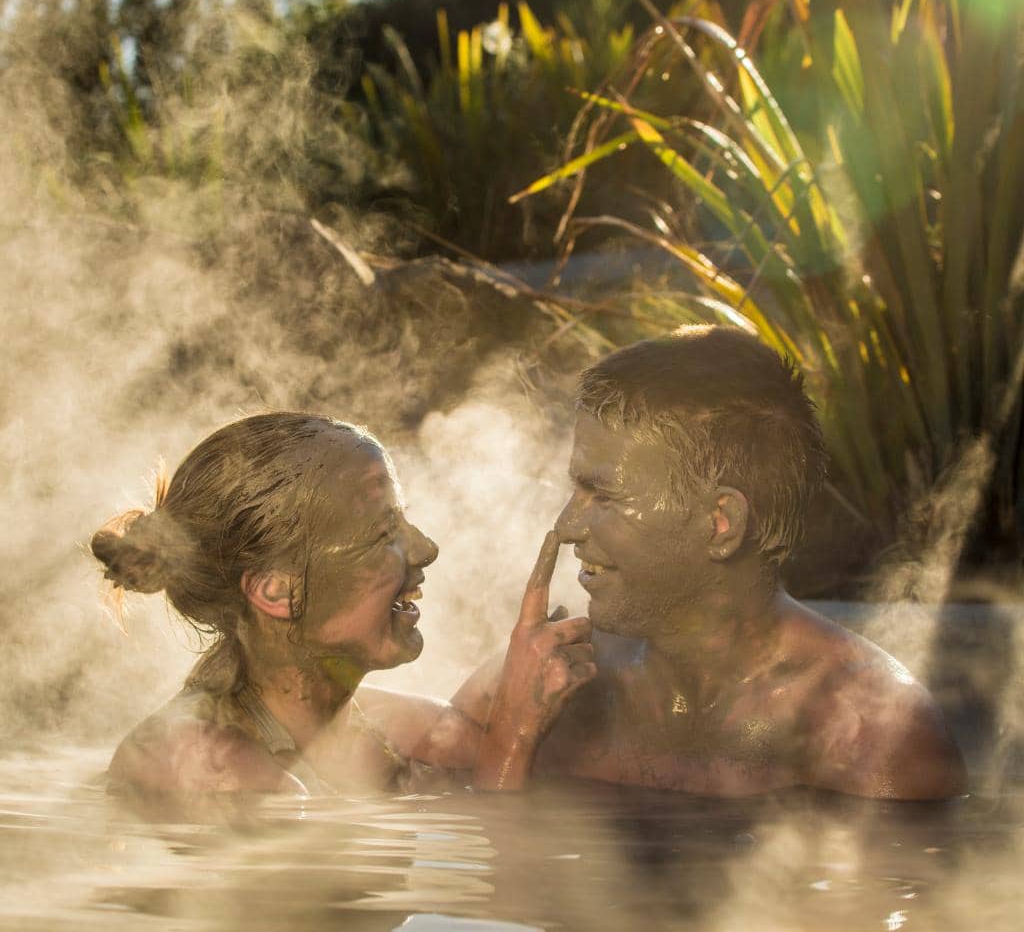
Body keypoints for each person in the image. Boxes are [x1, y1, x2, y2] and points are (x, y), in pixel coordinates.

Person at [469, 326, 967, 799]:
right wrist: (512, 735)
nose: (566, 526)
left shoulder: (870, 732)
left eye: (602, 494)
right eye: (576, 489)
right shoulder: (543, 679)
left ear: (720, 522)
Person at [91, 412, 595, 798]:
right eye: (382, 533)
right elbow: (504, 868)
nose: (425, 549)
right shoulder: (209, 766)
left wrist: (512, 683)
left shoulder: (368, 726)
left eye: (404, 519)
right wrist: (514, 739)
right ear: (277, 591)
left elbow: (469, 746)